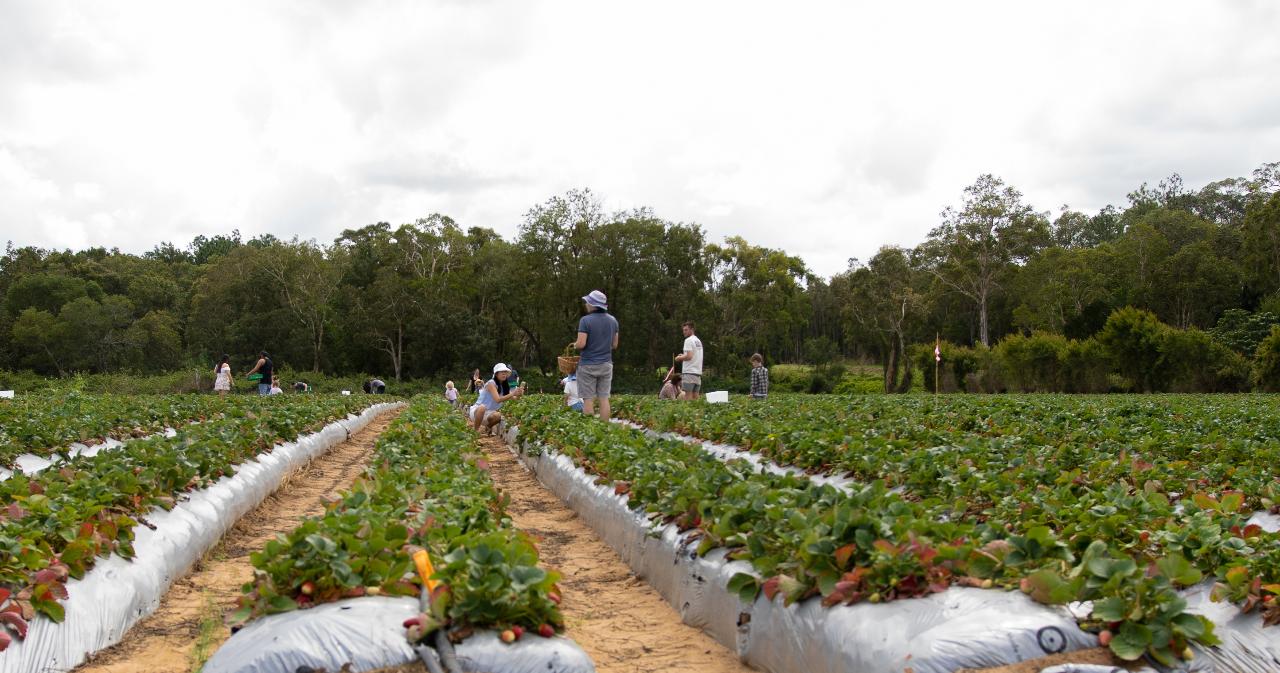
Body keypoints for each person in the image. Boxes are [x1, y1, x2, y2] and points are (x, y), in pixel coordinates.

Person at [569, 290, 619, 420]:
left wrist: (574, 345)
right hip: (606, 364)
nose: (586, 304)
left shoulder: (585, 321)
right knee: (604, 398)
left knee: (588, 399)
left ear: (592, 304)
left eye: (587, 302)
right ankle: (604, 429)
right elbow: (614, 345)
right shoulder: (613, 320)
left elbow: (581, 344)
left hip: (588, 365)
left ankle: (590, 432)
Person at [472, 363, 524, 435]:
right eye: (502, 372)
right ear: (496, 374)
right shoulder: (491, 383)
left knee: (498, 416)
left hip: (489, 413)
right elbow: (497, 399)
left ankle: (488, 427)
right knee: (482, 407)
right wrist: (512, 393)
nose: (504, 374)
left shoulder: (505, 386)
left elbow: (515, 399)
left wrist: (519, 394)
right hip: (477, 411)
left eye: (505, 372)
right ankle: (475, 431)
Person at [674, 321, 703, 400]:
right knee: (695, 396)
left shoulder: (688, 340)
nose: (684, 332)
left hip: (689, 372)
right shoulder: (698, 341)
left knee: (688, 397)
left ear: (692, 329)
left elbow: (689, 356)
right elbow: (693, 355)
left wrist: (679, 358)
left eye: (686, 330)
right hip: (697, 373)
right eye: (683, 330)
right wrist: (683, 355)